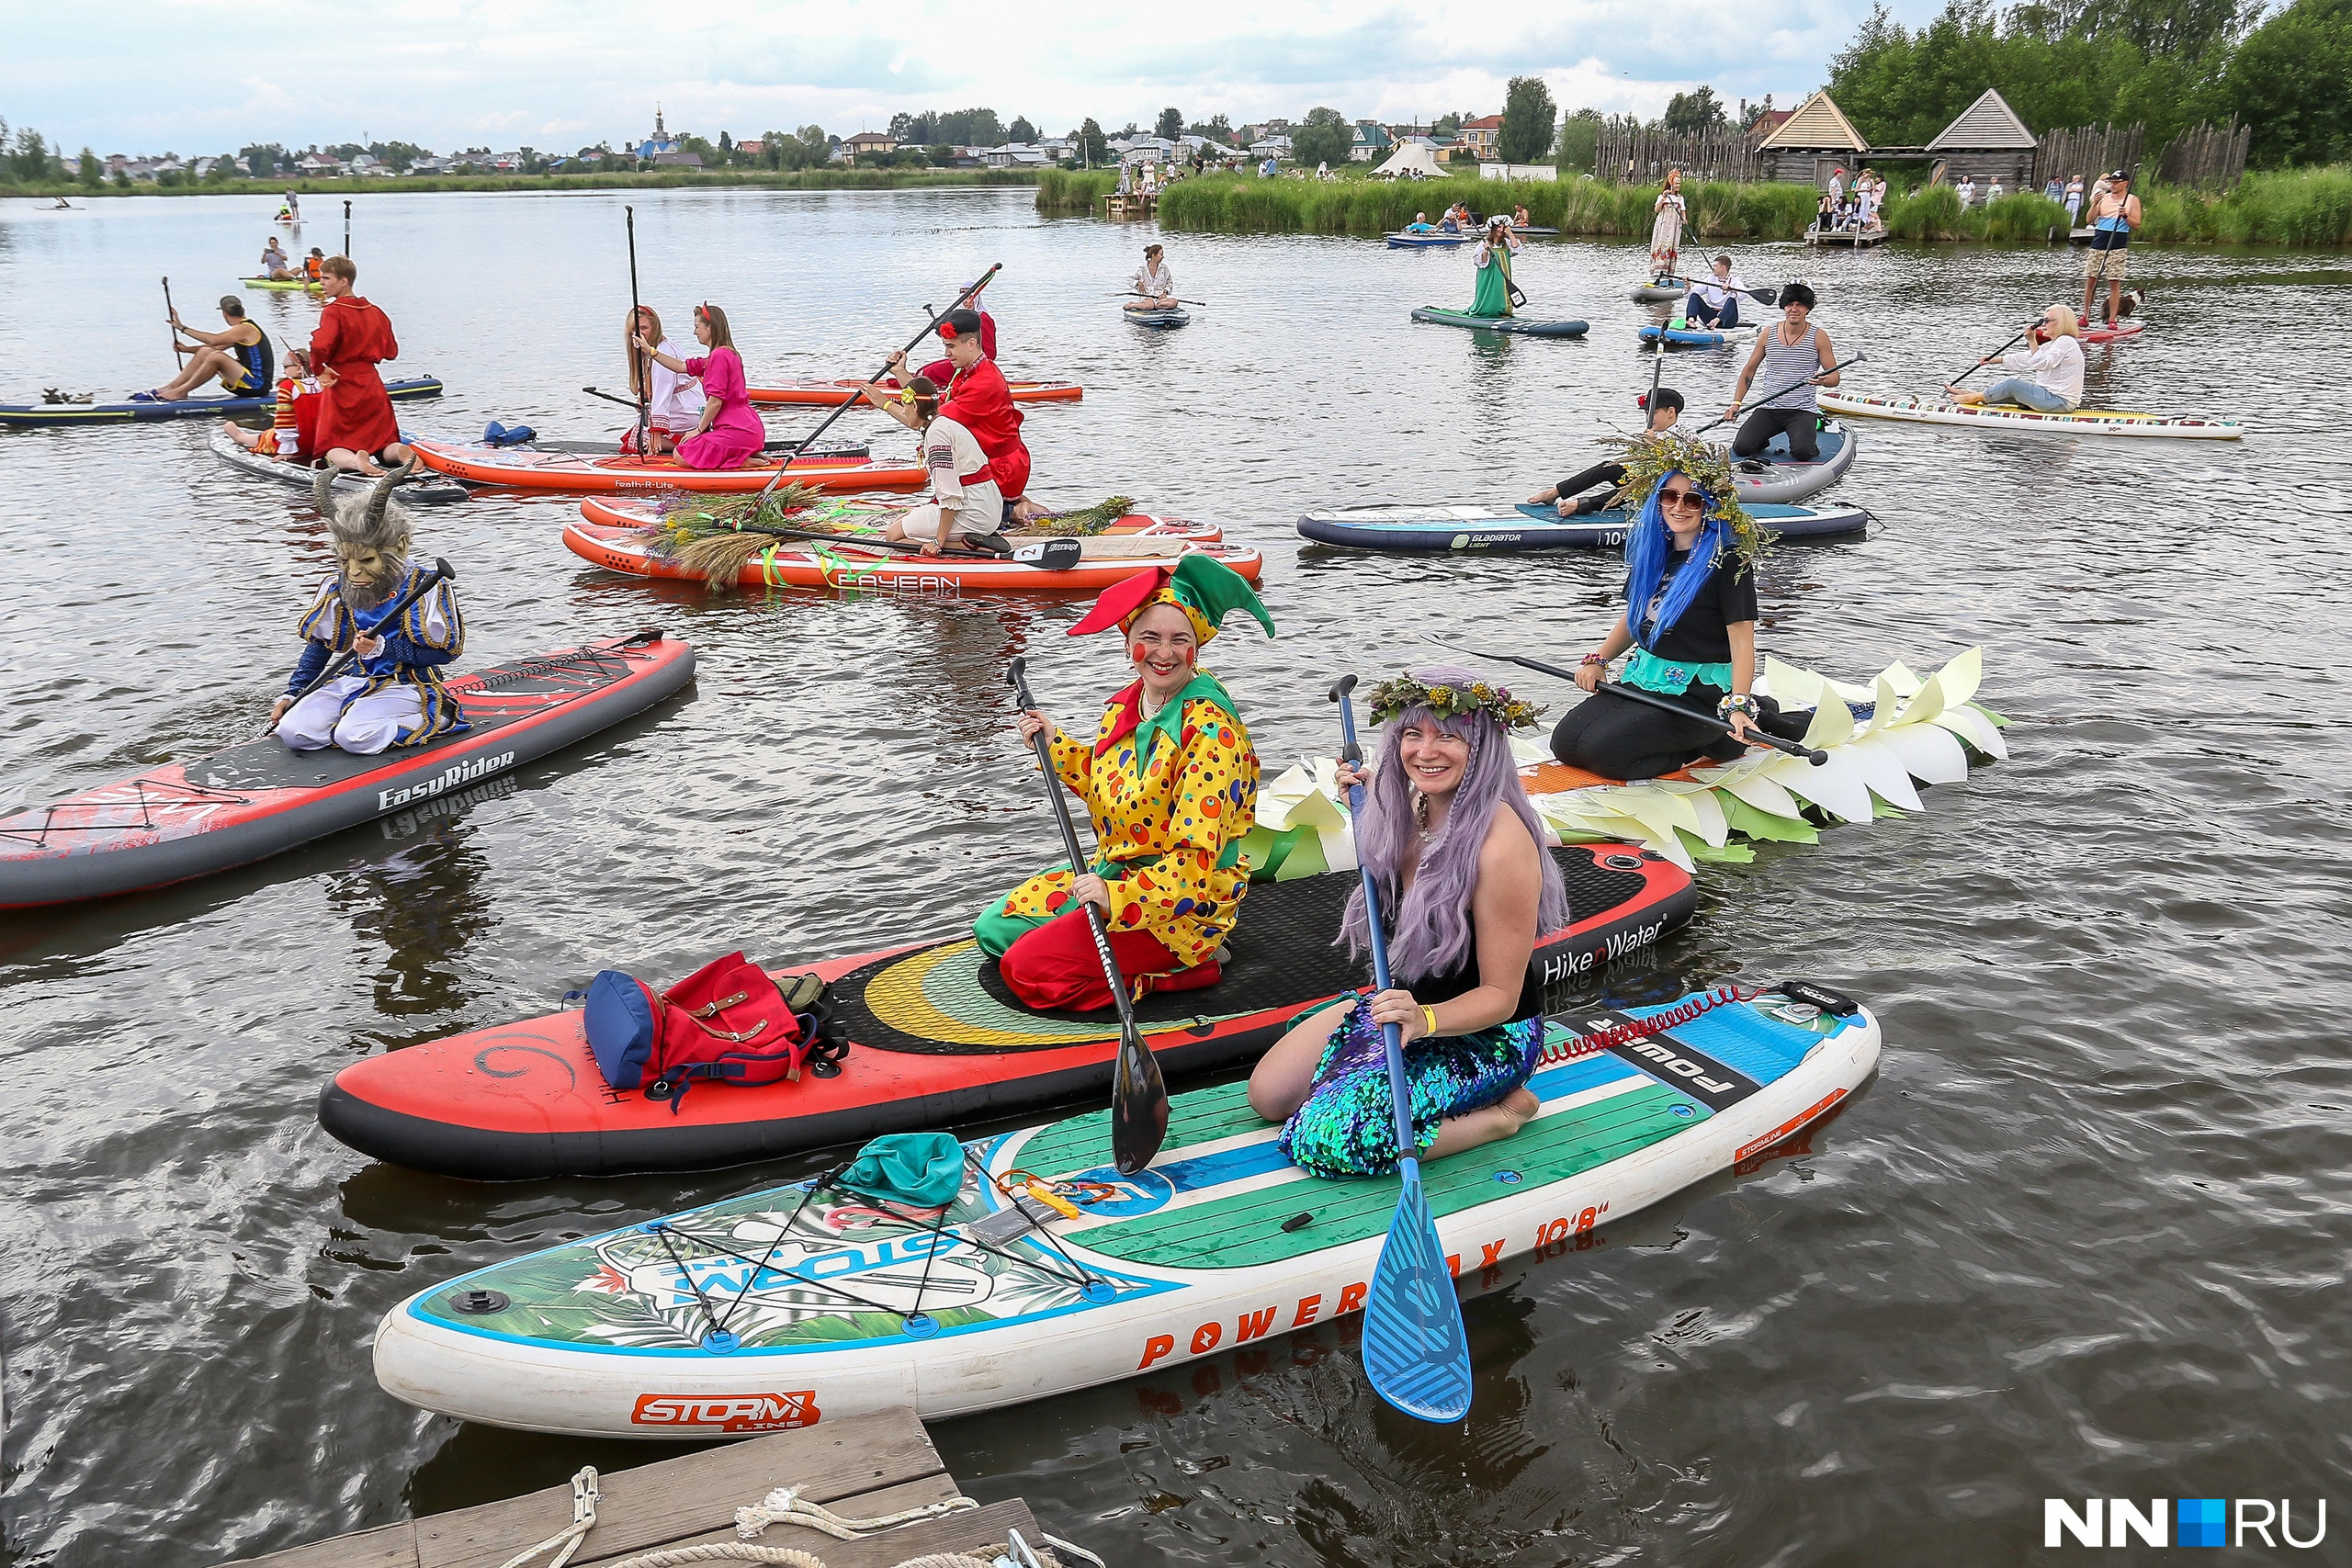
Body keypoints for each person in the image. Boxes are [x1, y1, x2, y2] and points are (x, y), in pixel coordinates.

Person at [1247, 668, 1564, 1178]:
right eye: (1413, 735)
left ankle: (1502, 1115)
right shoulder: (1413, 805)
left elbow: (1501, 997)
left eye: (1449, 737)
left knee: (1322, 1141)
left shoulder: (1501, 846)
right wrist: (1371, 793)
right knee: (1269, 1095)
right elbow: (1395, 824)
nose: (1426, 751)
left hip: (1483, 1033)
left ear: (1483, 748)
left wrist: (1426, 1021)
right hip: (1400, 1004)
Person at [978, 555, 1275, 1010]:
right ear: (1128, 642)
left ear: (1198, 646)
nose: (1164, 652)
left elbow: (1196, 864)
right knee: (995, 930)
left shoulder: (1211, 733)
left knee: (1026, 971)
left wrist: (1117, 896)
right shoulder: (1127, 706)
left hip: (1180, 906)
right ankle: (1113, 952)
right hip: (1116, 871)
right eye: (1149, 638)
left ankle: (1189, 968)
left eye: (1180, 639)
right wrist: (1055, 745)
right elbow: (1113, 794)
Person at [1550, 437, 1802, 780]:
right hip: (1645, 679)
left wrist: (1739, 705)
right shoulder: (1655, 554)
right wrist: (1598, 661)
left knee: (1606, 755)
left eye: (1692, 500)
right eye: (1670, 496)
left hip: (1701, 695)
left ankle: (1716, 742)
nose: (1679, 507)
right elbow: (1634, 616)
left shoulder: (1727, 561)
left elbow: (1742, 643)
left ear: (1709, 506)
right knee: (1565, 744)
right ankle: (1744, 719)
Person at [275, 464, 466, 755]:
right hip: (354, 681)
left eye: (366, 561)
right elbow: (320, 648)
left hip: (407, 685)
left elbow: (441, 653)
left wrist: (384, 648)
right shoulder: (338, 587)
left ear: (399, 547)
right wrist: (294, 692)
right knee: (293, 730)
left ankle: (439, 715)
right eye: (345, 561)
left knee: (355, 737)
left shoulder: (425, 587)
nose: (353, 572)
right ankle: (350, 722)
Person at [876, 307, 1035, 523]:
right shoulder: (967, 370)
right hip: (991, 460)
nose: (946, 353)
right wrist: (902, 373)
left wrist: (883, 403)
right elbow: (935, 405)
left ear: (971, 344)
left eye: (950, 346)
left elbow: (929, 420)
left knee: (973, 518)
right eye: (945, 346)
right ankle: (1013, 507)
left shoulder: (982, 383)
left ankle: (1019, 510)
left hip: (1000, 467)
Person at [864, 376, 1001, 555]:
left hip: (975, 513)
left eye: (905, 406)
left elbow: (950, 495)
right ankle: (967, 537)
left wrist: (938, 541)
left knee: (893, 536)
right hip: (990, 506)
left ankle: (965, 545)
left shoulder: (937, 435)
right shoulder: (943, 422)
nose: (904, 412)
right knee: (906, 518)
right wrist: (885, 404)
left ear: (914, 406)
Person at [308, 255, 411, 476]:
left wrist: (318, 369)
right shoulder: (376, 312)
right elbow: (391, 351)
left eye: (326, 278)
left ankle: (356, 462)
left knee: (332, 444)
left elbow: (320, 347)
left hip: (342, 382)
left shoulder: (333, 311)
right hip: (372, 383)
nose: (321, 283)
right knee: (384, 442)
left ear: (343, 281)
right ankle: (401, 453)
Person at [636, 303, 763, 470]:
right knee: (690, 445)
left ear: (710, 328)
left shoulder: (719, 357)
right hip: (748, 427)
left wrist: (698, 429)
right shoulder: (726, 354)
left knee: (680, 455)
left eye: (697, 327)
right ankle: (743, 454)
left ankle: (739, 462)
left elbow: (715, 401)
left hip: (736, 430)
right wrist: (651, 351)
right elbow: (680, 367)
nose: (695, 332)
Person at [1726, 282, 1838, 463]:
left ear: (1808, 309)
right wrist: (1736, 404)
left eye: (1800, 305)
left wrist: (1823, 380)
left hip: (1801, 410)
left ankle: (1809, 442)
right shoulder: (1768, 333)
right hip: (1769, 408)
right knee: (1742, 448)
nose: (1794, 309)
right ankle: (1761, 441)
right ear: (1784, 307)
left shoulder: (1819, 336)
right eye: (1790, 304)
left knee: (1802, 452)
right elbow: (1749, 370)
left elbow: (1835, 378)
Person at [1527, 389, 1684, 515]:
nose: (1648, 418)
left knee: (1635, 487)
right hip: (1647, 480)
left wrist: (1656, 444)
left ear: (1671, 412)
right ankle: (1555, 492)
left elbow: (1679, 466)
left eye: (1653, 413)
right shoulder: (1656, 432)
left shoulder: (1685, 434)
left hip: (1667, 490)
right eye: (1646, 413)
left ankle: (1580, 505)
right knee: (1609, 467)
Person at [1949, 304, 2084, 412]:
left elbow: (2042, 363)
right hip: (2050, 399)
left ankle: (1970, 397)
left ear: (2061, 322)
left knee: (2012, 384)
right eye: (2042, 320)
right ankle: (1973, 394)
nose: (2043, 324)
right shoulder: (2052, 344)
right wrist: (1994, 360)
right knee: (2006, 393)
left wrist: (2032, 340)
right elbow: (2027, 358)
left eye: (2046, 321)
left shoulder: (2066, 341)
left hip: (2059, 401)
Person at [142, 295, 273, 403]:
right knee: (207, 352)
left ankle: (181, 391)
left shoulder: (245, 328)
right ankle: (170, 388)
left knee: (216, 357)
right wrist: (186, 349)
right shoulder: (240, 330)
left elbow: (214, 340)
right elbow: (214, 347)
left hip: (257, 385)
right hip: (248, 381)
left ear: (224, 314)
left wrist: (182, 328)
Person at [622, 305, 700, 456]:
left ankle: (684, 444)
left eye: (643, 328)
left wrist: (656, 430)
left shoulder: (661, 354)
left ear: (655, 327)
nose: (637, 334)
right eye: (634, 330)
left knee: (637, 438)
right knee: (640, 425)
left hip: (686, 409)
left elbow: (662, 394)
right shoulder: (660, 346)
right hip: (688, 405)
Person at [221, 349, 319, 460]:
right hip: (320, 442)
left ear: (299, 369)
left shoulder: (288, 387)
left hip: (299, 444)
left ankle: (240, 437)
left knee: (269, 437)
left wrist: (287, 451)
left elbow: (285, 421)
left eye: (286, 367)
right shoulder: (324, 383)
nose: (284, 372)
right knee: (273, 432)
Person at [2081, 169, 2142, 328]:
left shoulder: (2132, 200)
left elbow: (2136, 225)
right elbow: (2089, 219)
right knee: (2090, 280)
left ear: (2125, 183)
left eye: (2116, 182)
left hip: (2117, 244)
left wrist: (2126, 216)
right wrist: (2094, 204)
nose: (2113, 185)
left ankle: (2113, 319)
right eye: (2111, 182)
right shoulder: (2103, 198)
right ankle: (2085, 316)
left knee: (2114, 282)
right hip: (2099, 242)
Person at [1467, 217, 1521, 318]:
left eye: (1503, 227)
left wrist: (1510, 233)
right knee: (1490, 292)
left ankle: (1503, 312)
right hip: (1489, 275)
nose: (1501, 230)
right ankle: (1486, 311)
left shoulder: (1506, 243)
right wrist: (1485, 251)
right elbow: (1480, 262)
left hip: (1503, 275)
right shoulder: (1484, 243)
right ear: (1493, 229)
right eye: (1498, 227)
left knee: (1503, 291)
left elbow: (1516, 249)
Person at [1684, 254, 1747, 329]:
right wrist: (1687, 285)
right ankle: (1691, 321)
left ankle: (1715, 322)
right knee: (1694, 296)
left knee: (1732, 300)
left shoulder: (1735, 281)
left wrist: (1731, 289)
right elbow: (1690, 295)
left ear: (1723, 268)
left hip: (1728, 319)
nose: (1712, 268)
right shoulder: (1710, 278)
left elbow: (1743, 294)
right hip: (1710, 315)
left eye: (1715, 266)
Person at [1650, 168, 1686, 281]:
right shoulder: (1662, 197)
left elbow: (1683, 211)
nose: (1678, 185)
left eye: (1679, 183)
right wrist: (1664, 197)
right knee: (1661, 246)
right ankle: (1658, 274)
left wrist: (1684, 219)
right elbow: (1656, 209)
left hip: (1675, 226)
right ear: (1671, 183)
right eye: (1676, 183)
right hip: (1663, 225)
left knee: (1672, 247)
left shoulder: (1680, 198)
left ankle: (1669, 274)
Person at [1128, 243, 1176, 310]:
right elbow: (1130, 280)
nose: (1163, 257)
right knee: (1149, 305)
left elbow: (1169, 283)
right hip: (1146, 298)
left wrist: (1165, 293)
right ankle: (1132, 305)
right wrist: (1138, 283)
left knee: (1174, 302)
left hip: (1160, 298)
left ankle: (1156, 306)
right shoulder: (1142, 269)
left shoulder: (1164, 268)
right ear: (1154, 255)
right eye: (1161, 255)